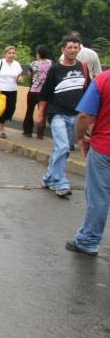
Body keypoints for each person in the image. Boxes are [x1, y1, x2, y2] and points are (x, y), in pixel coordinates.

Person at [37, 35, 89, 198]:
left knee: (61, 149)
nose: (73, 50)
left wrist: (90, 116)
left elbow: (89, 93)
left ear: (79, 49)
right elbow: (45, 93)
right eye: (69, 47)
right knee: (63, 146)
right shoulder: (55, 69)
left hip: (77, 115)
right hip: (57, 114)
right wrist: (40, 114)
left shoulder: (84, 68)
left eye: (76, 47)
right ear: (63, 50)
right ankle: (61, 183)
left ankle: (48, 178)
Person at [67, 68, 110, 256]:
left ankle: (88, 241)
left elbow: (84, 116)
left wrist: (80, 138)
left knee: (99, 196)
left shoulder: (104, 79)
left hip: (104, 148)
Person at [0, 46, 23, 138]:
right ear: (5, 54)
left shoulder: (16, 64)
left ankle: (3, 121)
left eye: (13, 53)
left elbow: (19, 75)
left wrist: (19, 78)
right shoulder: (0, 62)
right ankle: (1, 129)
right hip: (1, 90)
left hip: (13, 90)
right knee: (2, 110)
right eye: (9, 53)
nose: (11, 54)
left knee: (11, 108)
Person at [23, 45, 52, 138]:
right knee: (42, 112)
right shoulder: (50, 63)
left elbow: (29, 76)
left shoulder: (33, 64)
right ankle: (40, 133)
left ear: (38, 54)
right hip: (45, 92)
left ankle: (28, 131)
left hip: (33, 91)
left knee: (30, 111)